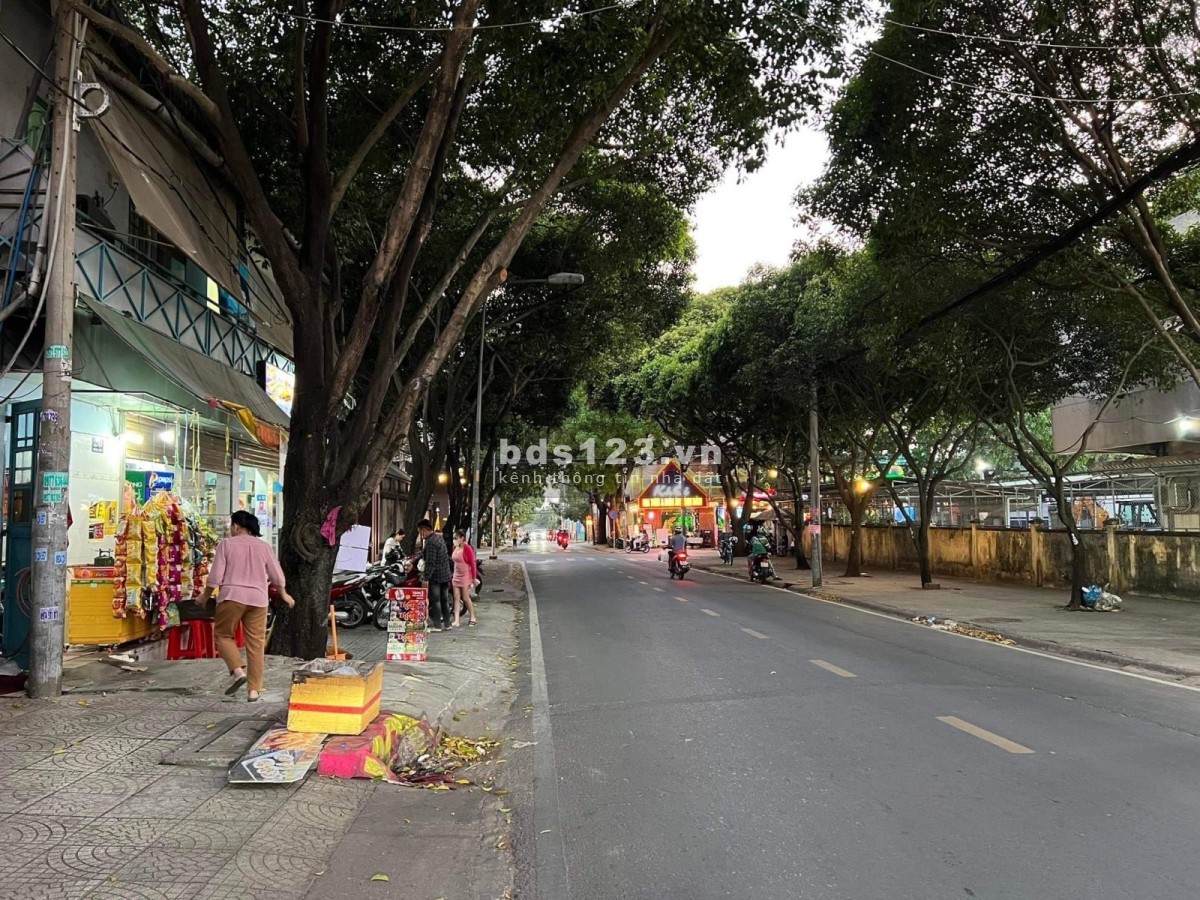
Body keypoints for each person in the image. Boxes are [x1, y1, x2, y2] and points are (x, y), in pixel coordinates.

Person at [199, 510, 294, 702]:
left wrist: (205, 596)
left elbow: (215, 576)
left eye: (231, 526)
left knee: (223, 635)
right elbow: (277, 576)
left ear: (236, 526)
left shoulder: (226, 545)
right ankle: (254, 691)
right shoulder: (264, 547)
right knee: (256, 644)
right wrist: (284, 594)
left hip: (232, 597)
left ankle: (237, 671)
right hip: (258, 600)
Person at [418, 519, 453, 632]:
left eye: (420, 532)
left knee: (436, 600)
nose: (421, 534)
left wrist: (426, 578)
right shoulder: (439, 538)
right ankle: (447, 624)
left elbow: (430, 563)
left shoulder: (431, 543)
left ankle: (437, 625)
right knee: (444, 600)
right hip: (445, 574)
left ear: (424, 530)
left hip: (436, 577)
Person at [450, 529, 478, 628]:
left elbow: (473, 564)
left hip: (465, 575)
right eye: (454, 538)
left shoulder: (467, 548)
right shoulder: (455, 547)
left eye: (456, 538)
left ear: (462, 538)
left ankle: (473, 617)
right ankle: (457, 620)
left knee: (465, 597)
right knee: (456, 597)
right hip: (456, 575)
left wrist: (474, 578)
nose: (454, 540)